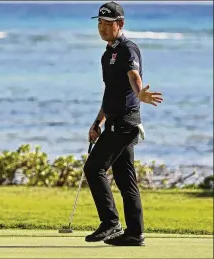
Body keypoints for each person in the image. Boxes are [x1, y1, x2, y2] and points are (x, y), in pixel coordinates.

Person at [83, 1, 163, 246]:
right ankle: (135, 233)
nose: (102, 28)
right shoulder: (106, 55)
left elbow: (133, 76)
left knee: (94, 168)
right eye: (99, 23)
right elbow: (111, 93)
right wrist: (98, 122)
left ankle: (110, 223)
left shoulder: (128, 49)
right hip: (115, 122)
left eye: (107, 23)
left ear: (120, 24)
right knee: (125, 178)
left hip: (125, 122)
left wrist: (139, 94)